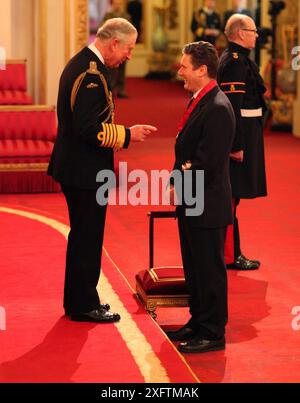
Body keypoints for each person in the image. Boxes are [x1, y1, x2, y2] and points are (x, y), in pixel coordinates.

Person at [48, 18, 157, 323]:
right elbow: (87, 129)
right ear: (114, 44)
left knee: (84, 235)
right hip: (84, 170)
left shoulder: (86, 64)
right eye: (129, 49)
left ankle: (81, 299)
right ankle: (83, 305)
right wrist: (126, 135)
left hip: (80, 167)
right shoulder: (91, 74)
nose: (129, 56)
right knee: (88, 236)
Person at [166, 41, 235, 353]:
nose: (180, 71)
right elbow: (185, 148)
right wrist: (174, 181)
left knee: (209, 269)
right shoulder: (199, 100)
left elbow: (205, 161)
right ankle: (198, 320)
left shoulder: (218, 107)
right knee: (194, 266)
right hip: (192, 199)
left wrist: (178, 183)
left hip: (206, 201)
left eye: (184, 66)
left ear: (202, 69)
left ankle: (212, 331)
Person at [217, 14, 267, 270]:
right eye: (253, 30)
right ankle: (229, 254)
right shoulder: (235, 62)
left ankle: (232, 252)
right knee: (231, 196)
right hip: (242, 134)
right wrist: (236, 145)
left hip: (248, 131)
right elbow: (232, 107)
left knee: (234, 197)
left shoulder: (240, 58)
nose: (257, 35)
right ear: (239, 33)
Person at [103, 0, 131, 98]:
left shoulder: (127, 17)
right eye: (116, 3)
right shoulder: (107, 16)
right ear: (112, 4)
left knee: (122, 69)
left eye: (119, 4)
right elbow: (104, 30)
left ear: (122, 4)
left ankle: (121, 90)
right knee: (110, 69)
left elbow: (130, 32)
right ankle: (110, 89)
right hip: (111, 47)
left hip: (123, 47)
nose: (117, 6)